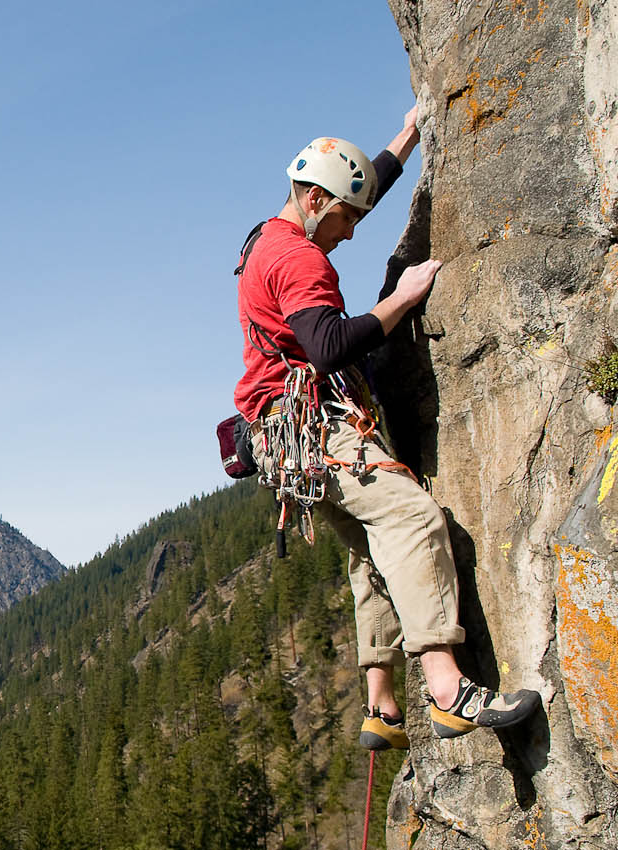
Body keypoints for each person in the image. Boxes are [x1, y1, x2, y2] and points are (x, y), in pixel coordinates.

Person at [233, 106, 540, 749]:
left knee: (374, 551)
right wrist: (404, 294)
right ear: (316, 200)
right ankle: (448, 686)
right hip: (317, 430)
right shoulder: (302, 262)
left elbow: (358, 186)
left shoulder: (270, 236)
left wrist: (411, 133)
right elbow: (329, 346)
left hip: (282, 437)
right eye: (345, 219)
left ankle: (382, 704)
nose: (348, 234)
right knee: (412, 520)